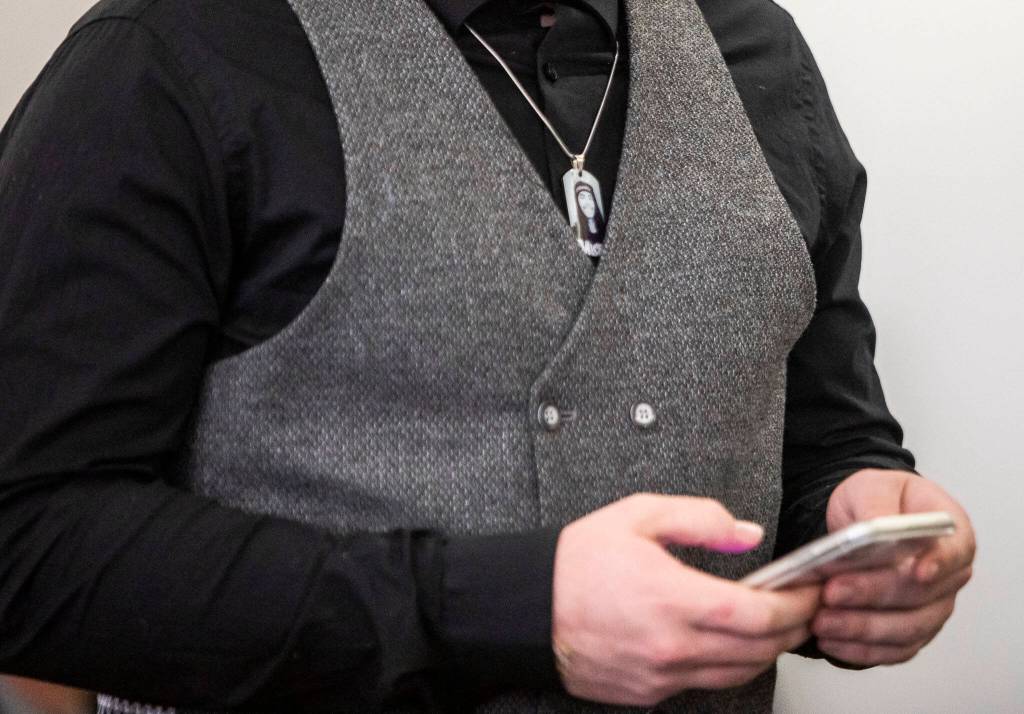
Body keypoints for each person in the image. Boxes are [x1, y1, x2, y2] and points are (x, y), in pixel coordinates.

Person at [0, 0, 975, 712]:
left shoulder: (758, 52)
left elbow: (819, 437)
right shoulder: (169, 56)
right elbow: (27, 542)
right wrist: (501, 608)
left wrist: (860, 521)